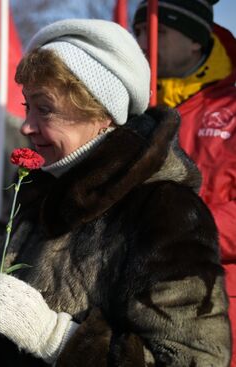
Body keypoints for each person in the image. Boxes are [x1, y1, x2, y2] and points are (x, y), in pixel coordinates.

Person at [0, 19, 231, 366]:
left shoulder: (164, 211)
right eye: (26, 107)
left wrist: (58, 339)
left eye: (44, 109)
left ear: (102, 114)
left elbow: (196, 359)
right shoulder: (42, 189)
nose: (27, 126)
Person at [133, 2, 236, 364]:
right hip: (136, 303)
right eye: (140, 31)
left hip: (218, 309)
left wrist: (175, 231)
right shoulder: (130, 106)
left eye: (158, 32)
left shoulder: (232, 106)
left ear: (196, 41)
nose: (143, 42)